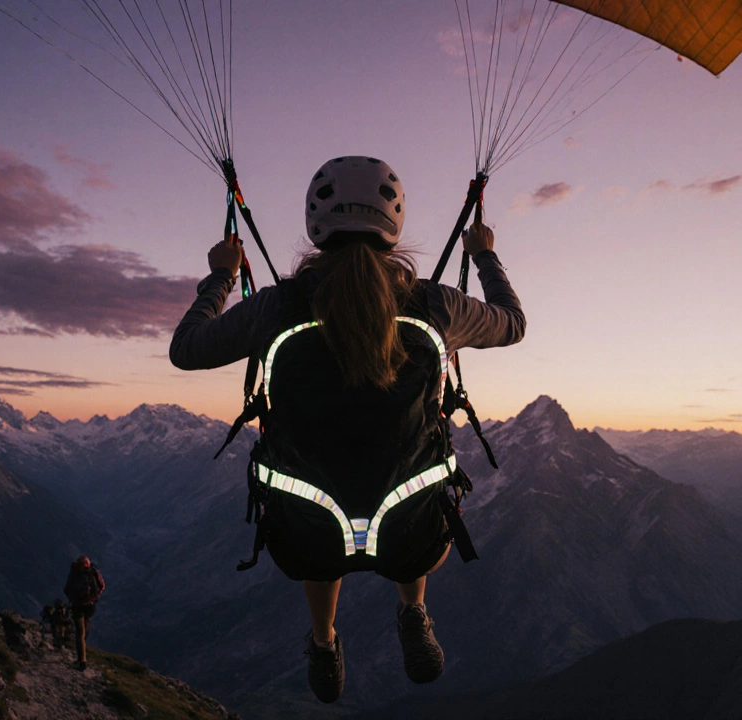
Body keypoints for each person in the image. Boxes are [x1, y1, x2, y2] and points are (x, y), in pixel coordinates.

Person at [170, 156, 524, 703]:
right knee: (404, 478)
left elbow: (186, 349)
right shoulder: (437, 307)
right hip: (414, 536)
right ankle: (413, 612)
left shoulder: (275, 308)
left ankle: (324, 641)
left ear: (316, 223)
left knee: (321, 491)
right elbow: (513, 323)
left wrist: (221, 275)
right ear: (394, 223)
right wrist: (484, 255)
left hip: (306, 536)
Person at [64, 556, 105, 670]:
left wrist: (72, 599)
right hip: (90, 606)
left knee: (79, 633)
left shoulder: (74, 573)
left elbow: (67, 589)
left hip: (77, 606)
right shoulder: (93, 572)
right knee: (85, 626)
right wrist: (94, 598)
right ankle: (84, 647)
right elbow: (102, 586)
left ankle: (81, 660)